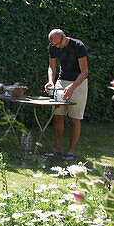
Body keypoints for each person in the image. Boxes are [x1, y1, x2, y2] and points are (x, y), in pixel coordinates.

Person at [45, 28, 88, 161]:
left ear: (64, 36)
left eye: (59, 44)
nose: (57, 47)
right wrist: (51, 82)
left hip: (78, 83)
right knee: (57, 116)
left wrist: (72, 87)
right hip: (61, 82)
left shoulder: (78, 46)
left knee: (75, 119)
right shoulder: (53, 46)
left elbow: (85, 71)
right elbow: (52, 67)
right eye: (55, 45)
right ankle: (57, 148)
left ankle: (71, 151)